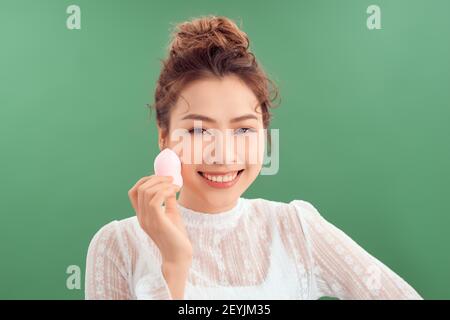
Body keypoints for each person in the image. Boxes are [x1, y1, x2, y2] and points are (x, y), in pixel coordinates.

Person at [85, 15, 422, 300]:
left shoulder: (295, 228)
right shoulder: (117, 244)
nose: (224, 154)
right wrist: (173, 265)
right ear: (164, 137)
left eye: (243, 130)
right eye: (199, 131)